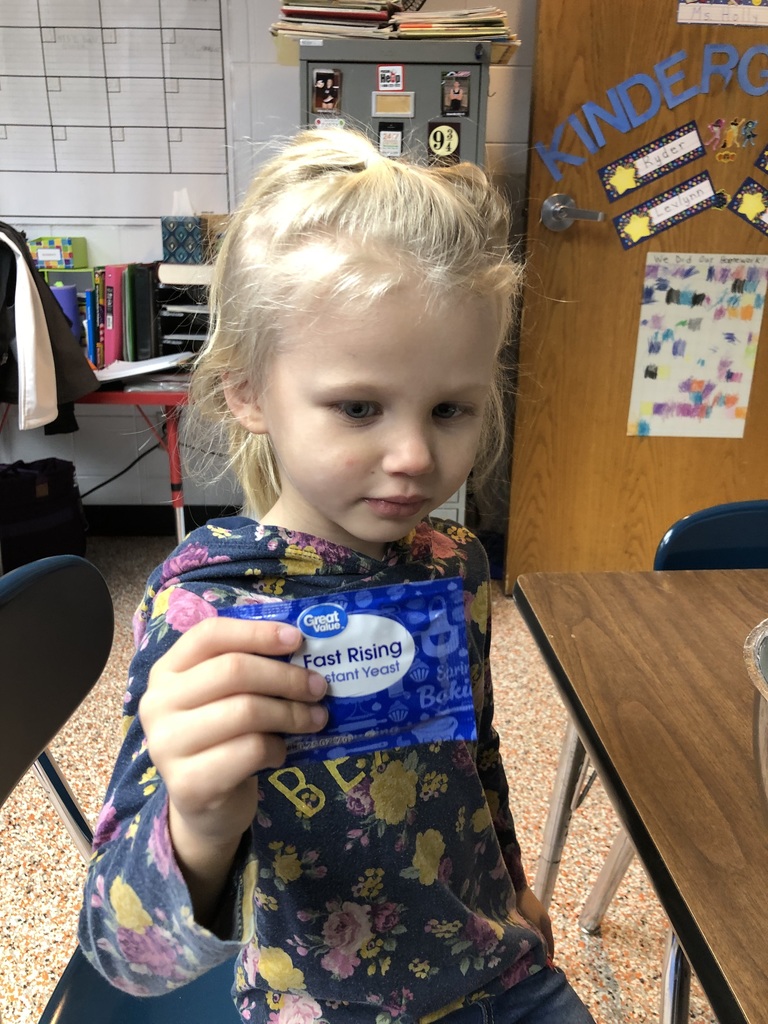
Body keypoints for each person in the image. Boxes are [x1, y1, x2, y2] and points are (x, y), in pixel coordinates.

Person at [78, 128, 595, 1024]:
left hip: (500, 974)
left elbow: (474, 759)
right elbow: (125, 953)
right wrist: (196, 827)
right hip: (328, 1005)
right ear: (246, 390)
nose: (413, 456)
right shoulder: (209, 604)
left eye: (452, 410)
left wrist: (511, 886)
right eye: (358, 407)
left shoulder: (456, 563)